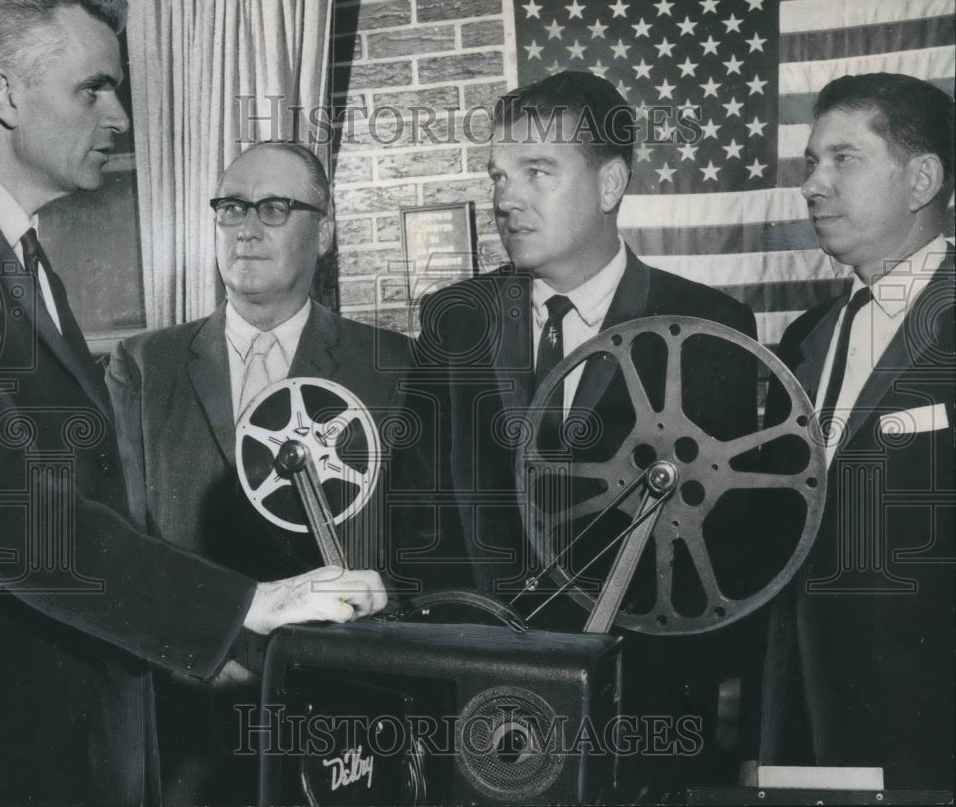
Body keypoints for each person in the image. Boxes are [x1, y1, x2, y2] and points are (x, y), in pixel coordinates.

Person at [0, 0, 385, 806]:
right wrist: (235, 607)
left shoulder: (17, 256)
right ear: (5, 95)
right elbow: (0, 505)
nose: (119, 115)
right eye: (93, 89)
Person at [396, 70, 762, 792]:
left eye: (537, 172)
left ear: (609, 183)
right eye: (499, 175)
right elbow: (417, 508)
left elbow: (733, 538)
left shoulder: (711, 328)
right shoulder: (453, 321)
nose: (506, 199)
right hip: (478, 708)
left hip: (647, 718)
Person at [106, 141, 412, 803]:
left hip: (348, 721)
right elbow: (124, 544)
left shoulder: (398, 368)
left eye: (275, 208)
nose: (246, 227)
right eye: (231, 207)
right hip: (193, 718)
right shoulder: (142, 366)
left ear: (324, 231)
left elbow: (420, 550)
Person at [758, 73, 955, 790]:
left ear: (922, 178)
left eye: (845, 159)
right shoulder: (808, 336)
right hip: (801, 723)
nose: (814, 184)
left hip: (930, 738)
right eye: (811, 162)